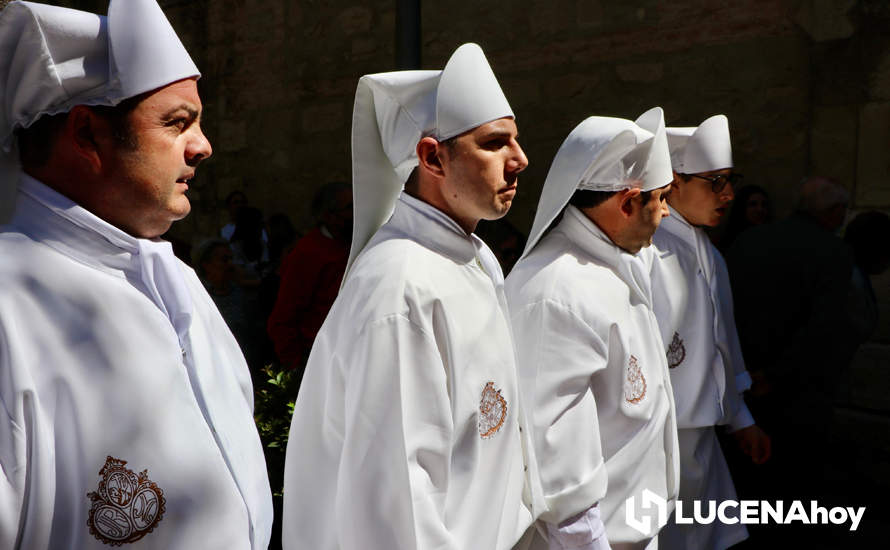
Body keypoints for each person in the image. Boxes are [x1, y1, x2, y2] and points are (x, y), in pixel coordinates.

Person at [0, 2, 272, 549]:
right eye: (177, 123)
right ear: (86, 135)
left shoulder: (179, 280)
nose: (203, 146)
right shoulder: (10, 301)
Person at [281, 43, 543, 550]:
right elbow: (398, 497)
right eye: (494, 143)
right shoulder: (401, 285)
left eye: (516, 141)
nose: (520, 160)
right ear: (431, 156)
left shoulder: (476, 257)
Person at [506, 108, 679, 549]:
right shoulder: (557, 290)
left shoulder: (613, 263)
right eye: (660, 199)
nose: (665, 213)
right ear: (626, 202)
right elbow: (555, 463)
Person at [649, 115, 770, 550]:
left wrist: (741, 419)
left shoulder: (710, 255)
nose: (729, 195)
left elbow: (724, 345)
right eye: (715, 182)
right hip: (655, 444)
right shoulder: (649, 249)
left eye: (730, 181)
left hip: (702, 439)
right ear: (674, 182)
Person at [726, 176, 856, 543]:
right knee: (793, 498)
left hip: (744, 389)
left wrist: (746, 372)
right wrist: (775, 374)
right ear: (833, 213)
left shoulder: (749, 240)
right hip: (797, 394)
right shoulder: (833, 252)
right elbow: (824, 329)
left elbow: (722, 311)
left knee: (746, 491)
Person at [266, 182, 351, 375]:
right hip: (319, 363)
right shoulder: (307, 254)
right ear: (329, 216)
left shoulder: (353, 244)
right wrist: (298, 368)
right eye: (350, 208)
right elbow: (282, 320)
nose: (357, 213)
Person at [718, 184, 770, 252]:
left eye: (764, 205)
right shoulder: (730, 243)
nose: (760, 209)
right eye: (753, 204)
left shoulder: (770, 239)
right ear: (741, 208)